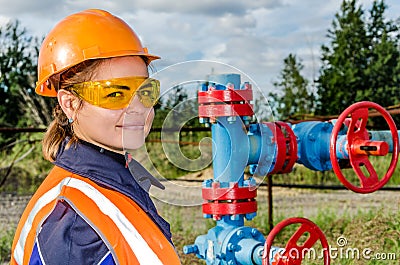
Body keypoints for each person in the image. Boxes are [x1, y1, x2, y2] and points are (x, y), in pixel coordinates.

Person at [10, 9, 181, 265]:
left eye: (145, 91)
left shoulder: (110, 183)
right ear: (70, 104)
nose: (138, 107)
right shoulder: (75, 228)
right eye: (114, 94)